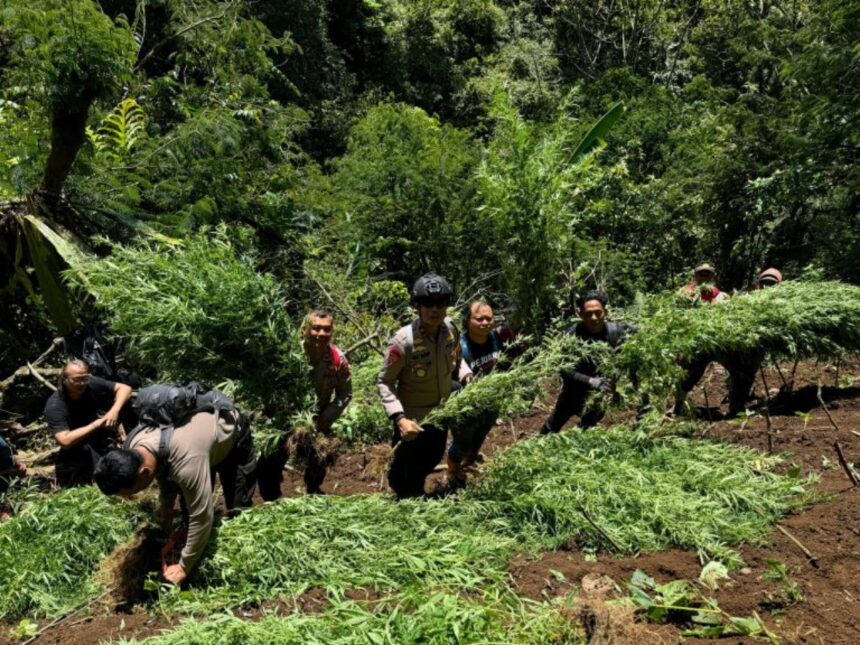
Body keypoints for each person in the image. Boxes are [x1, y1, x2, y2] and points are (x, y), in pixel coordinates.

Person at [94, 406, 257, 585]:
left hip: (230, 438)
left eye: (132, 493)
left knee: (237, 506)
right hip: (196, 445)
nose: (129, 498)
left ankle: (243, 556)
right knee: (188, 513)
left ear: (143, 472)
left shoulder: (186, 463)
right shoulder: (132, 447)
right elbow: (162, 470)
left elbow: (202, 516)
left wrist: (183, 567)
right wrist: (166, 506)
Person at [377, 273, 472, 498]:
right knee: (401, 473)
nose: (434, 309)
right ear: (417, 306)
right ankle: (405, 504)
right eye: (428, 304)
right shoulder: (403, 341)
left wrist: (467, 375)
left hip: (441, 413)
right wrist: (400, 420)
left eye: (440, 303)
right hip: (413, 421)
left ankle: (417, 498)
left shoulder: (450, 329)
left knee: (430, 459)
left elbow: (457, 360)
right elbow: (384, 381)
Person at [257, 309, 353, 500]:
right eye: (316, 328)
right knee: (270, 461)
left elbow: (346, 392)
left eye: (326, 329)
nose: (321, 334)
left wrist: (329, 415)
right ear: (304, 330)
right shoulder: (287, 356)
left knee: (321, 456)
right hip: (284, 418)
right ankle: (271, 500)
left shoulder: (337, 360)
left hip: (318, 419)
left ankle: (313, 492)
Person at [446, 300, 518, 485]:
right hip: (465, 405)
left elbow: (505, 362)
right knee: (461, 442)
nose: (486, 322)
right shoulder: (459, 346)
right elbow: (451, 374)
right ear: (467, 320)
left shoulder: (496, 338)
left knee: (480, 435)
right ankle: (453, 472)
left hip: (491, 400)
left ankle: (469, 462)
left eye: (489, 318)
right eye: (480, 319)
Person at [541, 291, 633, 434]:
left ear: (606, 312)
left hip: (600, 394)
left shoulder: (616, 332)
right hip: (573, 391)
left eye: (598, 313)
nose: (594, 318)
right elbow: (564, 369)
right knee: (550, 428)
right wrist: (591, 381)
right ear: (580, 314)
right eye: (588, 314)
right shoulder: (571, 336)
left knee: (585, 429)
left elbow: (628, 359)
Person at [44, 358, 133, 487]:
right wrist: (95, 424)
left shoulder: (89, 382)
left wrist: (114, 411)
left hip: (100, 431)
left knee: (130, 403)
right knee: (101, 472)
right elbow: (64, 440)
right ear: (64, 379)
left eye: (84, 378)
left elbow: (125, 389)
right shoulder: (55, 405)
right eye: (76, 380)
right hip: (80, 441)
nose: (81, 383)